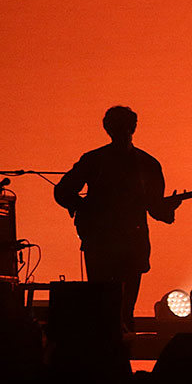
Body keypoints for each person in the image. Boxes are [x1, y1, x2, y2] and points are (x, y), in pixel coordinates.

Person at [54, 106, 176, 332]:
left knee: (118, 309)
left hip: (122, 245)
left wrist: (169, 208)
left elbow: (156, 209)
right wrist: (85, 209)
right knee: (110, 307)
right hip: (108, 244)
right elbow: (62, 192)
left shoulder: (140, 164)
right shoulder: (133, 163)